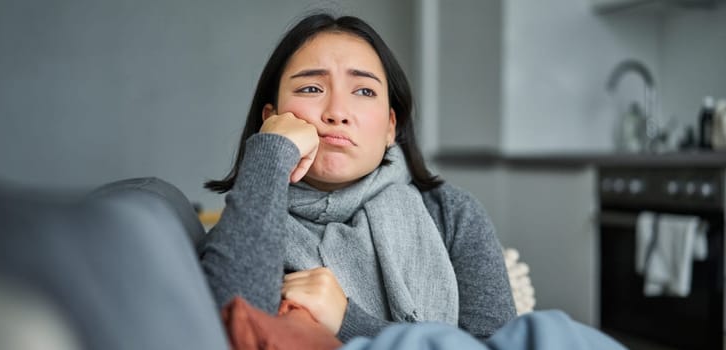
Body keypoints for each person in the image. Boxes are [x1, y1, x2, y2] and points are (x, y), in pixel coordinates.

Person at [197, 12, 516, 342]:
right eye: (310, 88)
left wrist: (348, 320)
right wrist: (271, 151)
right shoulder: (250, 220)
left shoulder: (450, 213)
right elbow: (229, 326)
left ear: (391, 126)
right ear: (273, 118)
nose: (337, 112)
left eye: (363, 91)